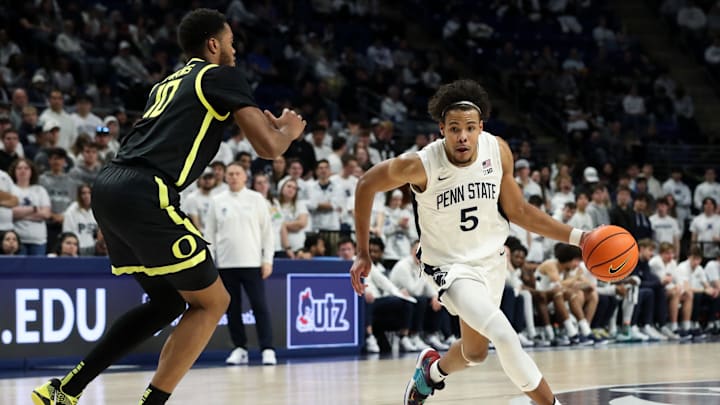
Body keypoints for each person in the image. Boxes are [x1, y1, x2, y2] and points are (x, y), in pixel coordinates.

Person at [31, 9, 305, 405]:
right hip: (146, 189)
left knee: (168, 302)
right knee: (215, 301)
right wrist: (289, 132)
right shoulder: (220, 75)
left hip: (109, 186)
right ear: (213, 44)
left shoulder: (167, 83)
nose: (235, 49)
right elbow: (267, 148)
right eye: (230, 42)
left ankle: (63, 390)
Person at [350, 79, 588, 405]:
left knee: (475, 353)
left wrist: (580, 238)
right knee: (505, 336)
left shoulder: (498, 150)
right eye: (454, 128)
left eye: (470, 128)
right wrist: (363, 252)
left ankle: (430, 373)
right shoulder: (420, 164)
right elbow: (365, 185)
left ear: (480, 128)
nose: (463, 136)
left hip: (491, 262)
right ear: (442, 130)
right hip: (450, 268)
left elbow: (518, 210)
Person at [204, 162, 277, 366]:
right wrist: (210, 263)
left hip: (252, 263)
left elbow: (267, 233)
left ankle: (268, 349)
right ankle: (239, 348)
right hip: (225, 264)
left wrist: (267, 260)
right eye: (230, 174)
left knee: (259, 306)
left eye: (238, 173)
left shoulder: (257, 199)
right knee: (232, 308)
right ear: (225, 177)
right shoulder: (217, 201)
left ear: (245, 177)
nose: (234, 177)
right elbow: (209, 234)